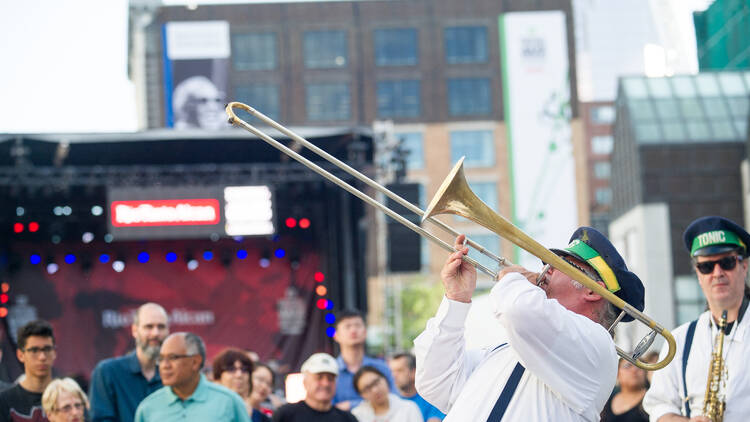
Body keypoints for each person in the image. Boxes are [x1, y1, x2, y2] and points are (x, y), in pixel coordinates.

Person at [415, 228, 646, 421]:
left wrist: (512, 278)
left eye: (561, 264)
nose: (547, 269)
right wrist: (456, 300)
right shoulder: (509, 345)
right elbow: (435, 383)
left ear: (592, 291)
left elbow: (519, 309)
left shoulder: (597, 344)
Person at [644, 216, 750, 421]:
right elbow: (658, 406)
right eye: (706, 267)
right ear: (698, 275)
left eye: (726, 263)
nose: (717, 273)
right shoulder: (679, 340)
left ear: (743, 266)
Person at [134, 332, 249, 422]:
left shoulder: (229, 402)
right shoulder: (148, 408)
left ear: (195, 362)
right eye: (161, 359)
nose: (164, 365)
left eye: (173, 358)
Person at [89, 302, 169, 422]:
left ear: (168, 331)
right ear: (134, 330)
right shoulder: (107, 372)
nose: (155, 333)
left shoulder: (174, 377)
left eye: (161, 327)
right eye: (149, 327)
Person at [332, 310, 395, 410]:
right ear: (336, 336)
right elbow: (327, 409)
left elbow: (395, 400)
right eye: (347, 326)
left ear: (365, 332)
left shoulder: (381, 368)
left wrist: (351, 405)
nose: (353, 330)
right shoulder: (330, 371)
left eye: (357, 325)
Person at [0, 320, 58, 422]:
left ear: (54, 353)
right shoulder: (4, 401)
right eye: (34, 350)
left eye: (47, 349)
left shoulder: (70, 398)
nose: (42, 357)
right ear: (20, 355)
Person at [272, 353, 357, 422]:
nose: (325, 383)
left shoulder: (348, 419)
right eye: (319, 377)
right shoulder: (285, 415)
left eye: (330, 378)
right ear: (305, 382)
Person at [212, 348, 269, 422]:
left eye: (244, 369)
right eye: (231, 369)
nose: (239, 375)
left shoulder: (261, 419)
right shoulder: (205, 411)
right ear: (218, 377)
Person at [351, 365, 423, 422]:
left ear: (385, 379)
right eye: (367, 388)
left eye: (376, 382)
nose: (375, 390)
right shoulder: (357, 415)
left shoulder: (409, 408)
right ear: (361, 394)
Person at [388, 353, 443, 422]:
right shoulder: (390, 401)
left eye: (399, 370)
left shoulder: (431, 399)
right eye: (392, 371)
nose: (394, 375)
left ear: (414, 372)